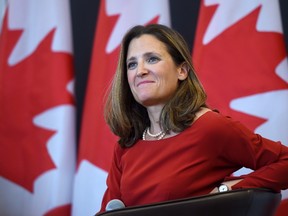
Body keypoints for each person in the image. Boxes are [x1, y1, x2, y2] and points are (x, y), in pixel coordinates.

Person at [97, 24, 288, 213]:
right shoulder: (125, 146)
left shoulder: (210, 127)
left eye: (152, 59)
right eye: (132, 64)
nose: (140, 71)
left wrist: (227, 191)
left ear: (182, 71)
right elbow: (106, 212)